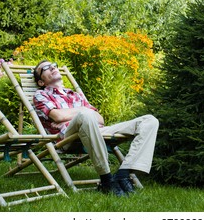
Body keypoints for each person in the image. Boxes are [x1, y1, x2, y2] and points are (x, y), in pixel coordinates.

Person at [33, 60, 159, 196]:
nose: (52, 67)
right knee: (86, 114)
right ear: (41, 82)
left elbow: (100, 119)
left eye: (54, 65)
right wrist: (81, 112)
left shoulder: (75, 95)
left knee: (149, 121)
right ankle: (106, 179)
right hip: (68, 136)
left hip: (96, 130)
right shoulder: (41, 95)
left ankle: (123, 173)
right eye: (46, 68)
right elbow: (57, 116)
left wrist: (70, 115)